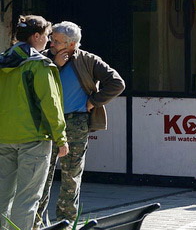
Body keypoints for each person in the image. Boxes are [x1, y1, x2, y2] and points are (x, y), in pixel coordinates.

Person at [37, 21, 125, 226]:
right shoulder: (44, 59)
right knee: (43, 174)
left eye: (57, 41)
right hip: (48, 121)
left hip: (77, 121)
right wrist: (55, 66)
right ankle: (38, 222)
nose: (51, 43)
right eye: (52, 38)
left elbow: (117, 83)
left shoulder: (88, 60)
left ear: (71, 44)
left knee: (71, 175)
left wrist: (94, 101)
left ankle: (66, 222)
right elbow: (34, 83)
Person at [0, 15, 68, 230]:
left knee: (2, 195)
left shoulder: (2, 61)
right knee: (27, 199)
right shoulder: (39, 65)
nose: (48, 41)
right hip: (34, 139)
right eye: (47, 36)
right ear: (35, 36)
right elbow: (51, 104)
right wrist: (61, 138)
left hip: (3, 138)